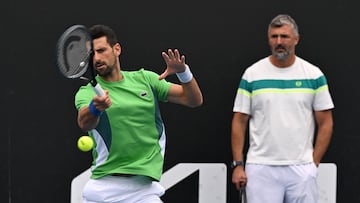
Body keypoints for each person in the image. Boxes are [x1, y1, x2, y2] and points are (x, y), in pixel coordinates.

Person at [75, 24, 203, 203]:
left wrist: (183, 72)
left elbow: (193, 100)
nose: (97, 58)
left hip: (144, 191)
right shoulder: (87, 92)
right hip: (103, 190)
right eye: (92, 54)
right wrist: (96, 108)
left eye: (101, 50)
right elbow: (85, 122)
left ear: (116, 49)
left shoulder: (146, 80)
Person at [231, 14, 334, 203]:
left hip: (301, 168)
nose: (279, 42)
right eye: (274, 36)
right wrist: (238, 164)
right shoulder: (252, 74)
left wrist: (314, 162)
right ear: (269, 39)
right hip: (261, 167)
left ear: (296, 39)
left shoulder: (313, 75)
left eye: (284, 36)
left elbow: (326, 121)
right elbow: (239, 120)